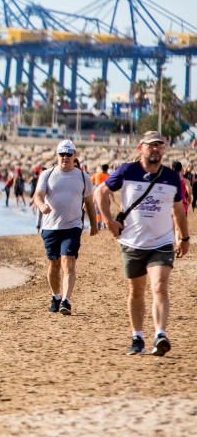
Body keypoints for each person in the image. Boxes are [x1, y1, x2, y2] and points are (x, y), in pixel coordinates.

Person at [97, 132, 189, 356]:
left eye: (159, 145)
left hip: (162, 242)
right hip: (132, 242)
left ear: (164, 150)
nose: (155, 149)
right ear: (141, 148)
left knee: (159, 286)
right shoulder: (128, 171)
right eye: (151, 146)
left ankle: (160, 334)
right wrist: (108, 221)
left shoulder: (171, 177)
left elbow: (178, 209)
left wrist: (184, 237)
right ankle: (137, 337)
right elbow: (100, 191)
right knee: (136, 290)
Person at [32, 139, 98, 315]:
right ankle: (56, 296)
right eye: (62, 154)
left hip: (73, 227)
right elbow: (38, 195)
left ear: (74, 156)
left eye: (69, 154)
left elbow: (89, 203)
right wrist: (41, 206)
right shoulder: (47, 174)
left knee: (68, 262)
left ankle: (66, 301)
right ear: (57, 155)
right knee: (53, 265)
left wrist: (94, 224)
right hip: (50, 227)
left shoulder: (83, 178)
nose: (65, 157)